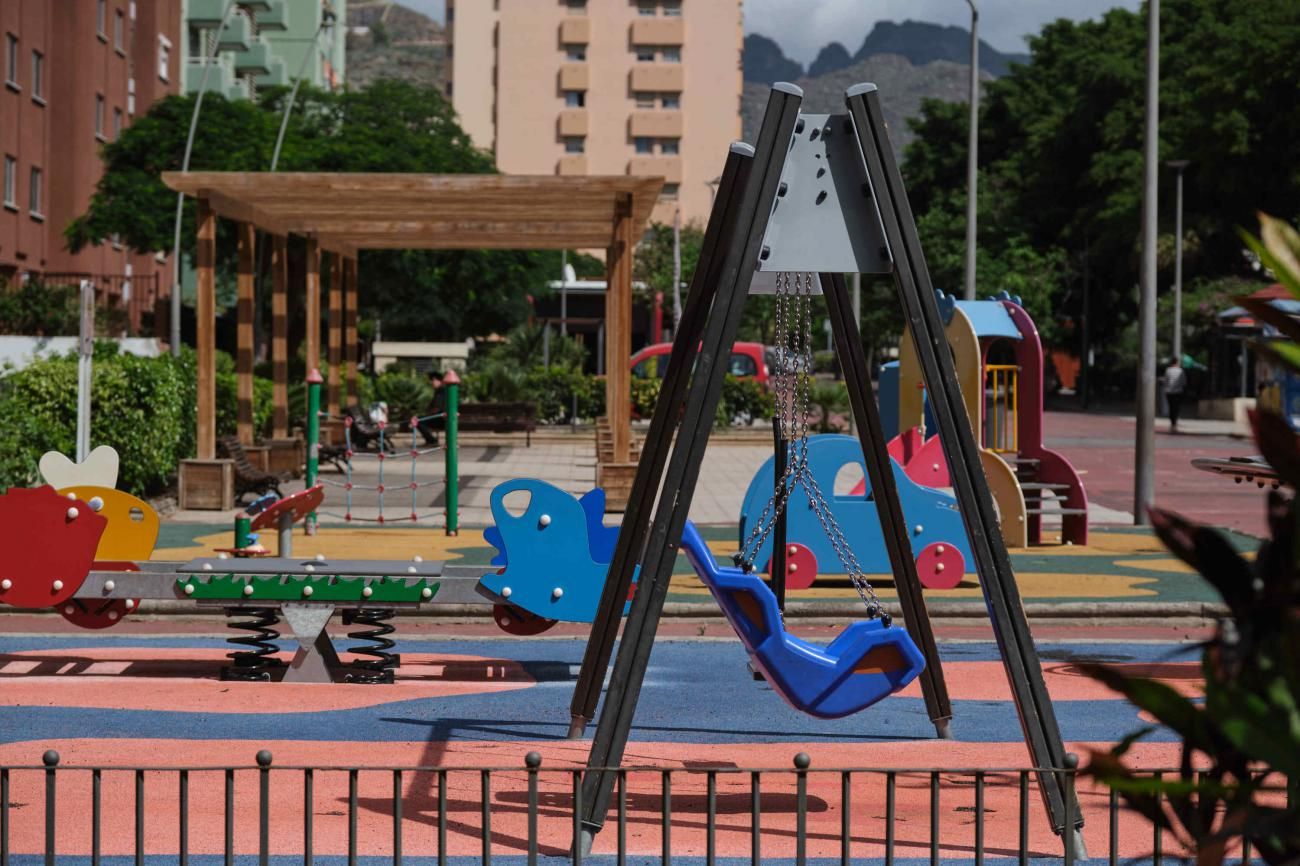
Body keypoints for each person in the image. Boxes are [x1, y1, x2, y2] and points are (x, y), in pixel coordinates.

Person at [417, 371, 446, 446]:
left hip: (441, 418)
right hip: (443, 418)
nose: (431, 382)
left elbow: (437, 407)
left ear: (438, 380)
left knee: (418, 421)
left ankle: (431, 441)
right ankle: (431, 440)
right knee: (420, 419)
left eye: (432, 380)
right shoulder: (441, 390)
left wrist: (428, 414)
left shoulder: (441, 391)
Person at [1164, 358, 1188, 432]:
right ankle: (1175, 424)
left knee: (1171, 408)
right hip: (1178, 392)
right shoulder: (1181, 371)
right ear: (1177, 363)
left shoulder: (1168, 370)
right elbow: (1184, 382)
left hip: (1169, 392)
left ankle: (1172, 424)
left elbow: (1166, 381)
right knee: (1176, 408)